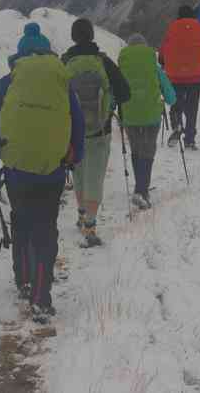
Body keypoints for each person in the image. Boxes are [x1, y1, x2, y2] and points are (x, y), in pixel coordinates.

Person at [0, 22, 85, 324]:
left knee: (21, 221)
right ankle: (41, 296)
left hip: (16, 171)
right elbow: (77, 123)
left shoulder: (6, 84)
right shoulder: (62, 82)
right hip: (52, 170)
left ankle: (23, 279)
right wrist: (74, 157)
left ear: (20, 56)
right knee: (45, 228)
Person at [61, 18, 131, 247]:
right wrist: (110, 104)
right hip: (101, 129)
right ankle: (90, 226)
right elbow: (125, 92)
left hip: (73, 131)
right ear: (91, 35)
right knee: (95, 177)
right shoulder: (103, 61)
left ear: (73, 37)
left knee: (79, 174)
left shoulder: (65, 62)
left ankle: (81, 215)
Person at [118, 34, 176, 209]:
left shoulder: (122, 67)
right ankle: (142, 191)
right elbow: (170, 94)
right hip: (151, 114)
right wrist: (170, 100)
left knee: (136, 150)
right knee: (148, 151)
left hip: (129, 115)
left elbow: (114, 89)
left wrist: (111, 107)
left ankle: (140, 186)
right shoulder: (154, 66)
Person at [160, 5, 200, 150]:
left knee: (176, 103)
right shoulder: (199, 27)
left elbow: (164, 49)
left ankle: (177, 125)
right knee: (192, 108)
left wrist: (163, 61)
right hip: (195, 75)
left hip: (175, 76)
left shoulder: (172, 27)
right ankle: (190, 139)